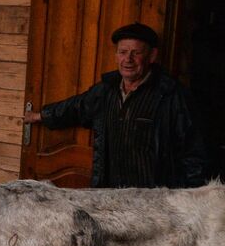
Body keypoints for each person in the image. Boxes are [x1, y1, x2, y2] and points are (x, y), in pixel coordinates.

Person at [25, 22, 207, 189]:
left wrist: (190, 197)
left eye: (136, 53)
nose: (128, 59)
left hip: (151, 201)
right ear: (116, 55)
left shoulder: (171, 95)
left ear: (152, 56)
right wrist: (40, 115)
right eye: (122, 52)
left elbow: (192, 150)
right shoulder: (106, 90)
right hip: (110, 194)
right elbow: (76, 107)